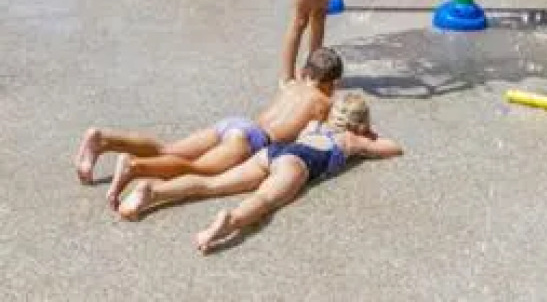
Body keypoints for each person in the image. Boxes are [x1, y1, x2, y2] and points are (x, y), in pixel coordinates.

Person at [116, 92, 402, 254]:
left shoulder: (313, 126)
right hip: (298, 164)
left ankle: (152, 192)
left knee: (211, 183)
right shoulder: (353, 140)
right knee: (264, 201)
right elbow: (393, 148)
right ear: (360, 124)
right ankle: (229, 223)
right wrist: (368, 135)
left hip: (273, 152)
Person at [74, 46, 343, 210]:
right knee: (196, 169)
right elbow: (324, 132)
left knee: (166, 149)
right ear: (332, 83)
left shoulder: (292, 86)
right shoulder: (324, 102)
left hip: (237, 123)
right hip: (254, 140)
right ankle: (134, 167)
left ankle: (103, 139)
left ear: (306, 72)